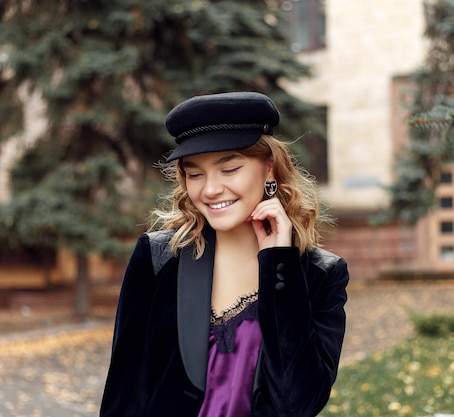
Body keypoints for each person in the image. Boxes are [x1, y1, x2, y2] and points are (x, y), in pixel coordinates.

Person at [99, 91, 349, 417]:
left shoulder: (320, 275)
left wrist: (279, 264)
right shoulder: (159, 259)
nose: (210, 189)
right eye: (194, 173)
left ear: (269, 168)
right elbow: (124, 392)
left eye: (229, 169)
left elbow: (297, 403)